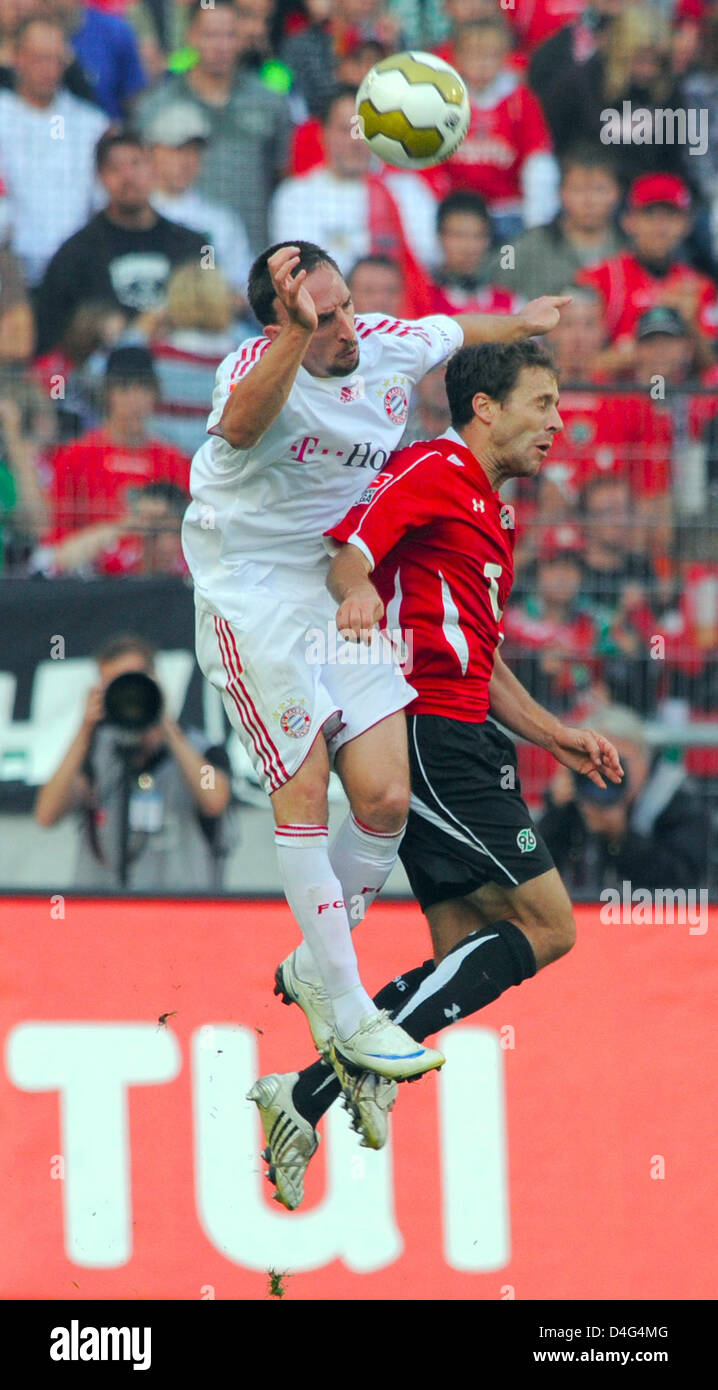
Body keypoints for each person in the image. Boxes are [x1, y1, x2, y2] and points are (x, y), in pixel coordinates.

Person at [182, 237, 571, 1090]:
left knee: (387, 795)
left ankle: (317, 967)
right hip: (250, 593)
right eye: (325, 315)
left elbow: (451, 329)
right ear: (284, 320)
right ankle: (351, 1010)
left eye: (346, 302)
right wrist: (295, 334)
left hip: (335, 587)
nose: (347, 326)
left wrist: (522, 319)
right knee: (306, 787)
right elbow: (242, 426)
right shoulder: (256, 368)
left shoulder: (384, 343)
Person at [247, 337, 623, 1210]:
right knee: (549, 927)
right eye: (543, 405)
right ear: (485, 407)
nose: (558, 425)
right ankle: (334, 1063)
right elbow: (351, 550)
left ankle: (300, 1097)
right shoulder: (431, 468)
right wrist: (357, 591)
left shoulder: (494, 504)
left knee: (465, 951)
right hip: (428, 736)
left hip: (468, 732)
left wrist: (554, 731)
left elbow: (482, 658)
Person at [34, 632, 234, 892]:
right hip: (103, 921)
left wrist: (163, 719)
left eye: (135, 680)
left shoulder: (200, 750)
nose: (129, 692)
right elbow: (46, 815)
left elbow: (215, 800)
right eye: (115, 684)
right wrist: (84, 730)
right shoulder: (95, 752)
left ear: (155, 679)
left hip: (182, 921)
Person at [34, 129, 207, 357]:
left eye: (136, 164)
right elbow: (52, 334)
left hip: (185, 370)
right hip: (107, 379)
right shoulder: (75, 254)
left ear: (153, 168)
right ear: (99, 177)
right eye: (114, 168)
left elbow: (214, 308)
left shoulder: (195, 244)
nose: (127, 176)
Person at [137, 0, 292, 252]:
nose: (220, 46)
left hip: (252, 252)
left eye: (230, 35)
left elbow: (281, 176)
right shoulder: (157, 105)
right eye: (210, 35)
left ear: (242, 38)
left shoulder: (270, 103)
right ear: (190, 36)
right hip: (177, 250)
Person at [540, 703, 710, 896]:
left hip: (650, 919)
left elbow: (683, 881)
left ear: (644, 761)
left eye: (618, 761)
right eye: (598, 760)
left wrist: (622, 836)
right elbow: (534, 872)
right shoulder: (576, 791)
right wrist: (556, 810)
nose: (608, 772)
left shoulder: (675, 797)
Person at [424, 16, 559, 238]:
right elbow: (430, 163)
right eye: (474, 55)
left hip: (506, 211)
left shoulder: (520, 101)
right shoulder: (443, 102)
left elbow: (538, 161)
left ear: (505, 58)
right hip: (457, 214)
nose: (482, 64)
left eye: (490, 55)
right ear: (457, 58)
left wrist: (536, 223)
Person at [41, 345, 190, 545]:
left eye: (144, 388)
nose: (135, 401)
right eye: (124, 389)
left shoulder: (174, 461)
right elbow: (55, 544)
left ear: (155, 394)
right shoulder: (75, 457)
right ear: (107, 394)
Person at [0, 15, 109, 286]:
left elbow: (103, 202)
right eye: (39, 59)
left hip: (77, 270)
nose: (49, 70)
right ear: (17, 57)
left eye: (57, 60)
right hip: (9, 271)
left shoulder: (92, 125)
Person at [577, 173, 718, 378]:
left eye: (670, 216)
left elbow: (712, 372)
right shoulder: (599, 279)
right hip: (616, 402)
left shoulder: (699, 285)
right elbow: (576, 366)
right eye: (650, 215)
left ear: (685, 224)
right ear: (629, 221)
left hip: (679, 405)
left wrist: (690, 324)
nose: (660, 228)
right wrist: (650, 351)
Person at [482, 144, 625, 301]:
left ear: (616, 193)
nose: (588, 201)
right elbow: (492, 280)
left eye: (599, 189)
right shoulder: (526, 244)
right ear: (560, 193)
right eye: (578, 190)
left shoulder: (630, 248)